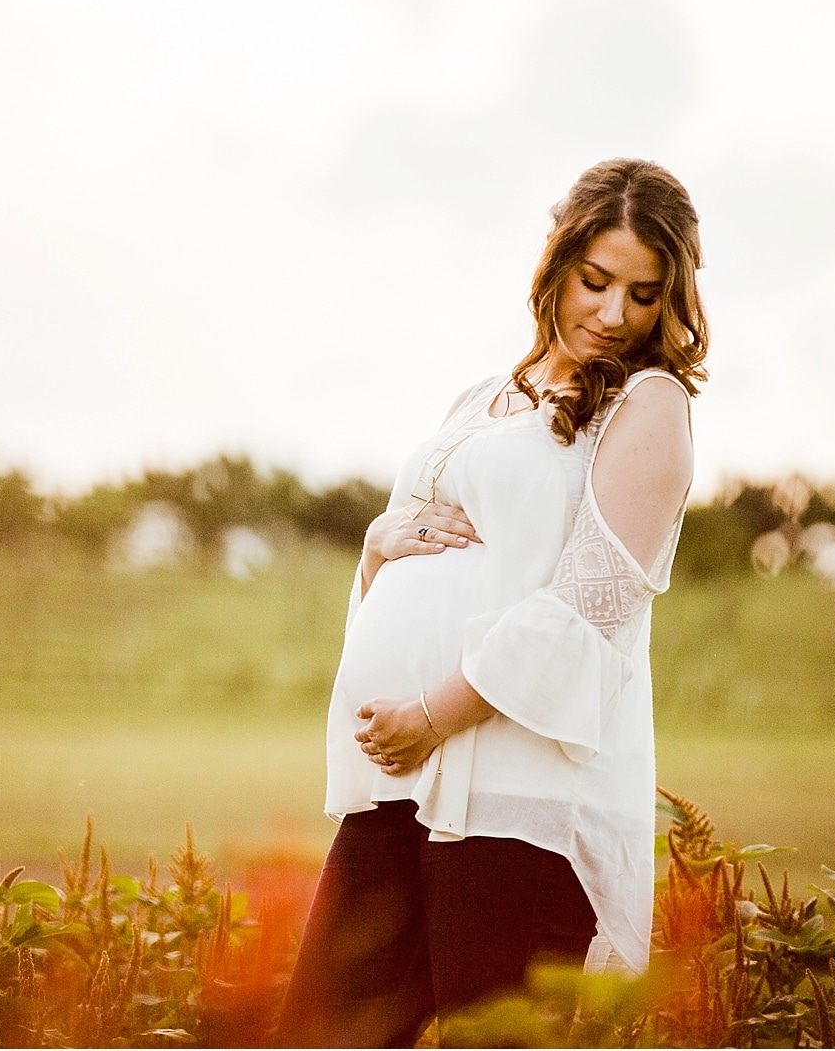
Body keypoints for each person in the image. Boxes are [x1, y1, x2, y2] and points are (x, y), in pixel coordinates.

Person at [274, 158, 708, 1047]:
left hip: (519, 801)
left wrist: (435, 713)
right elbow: (411, 580)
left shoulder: (648, 403)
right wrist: (375, 547)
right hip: (405, 781)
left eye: (642, 293)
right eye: (596, 281)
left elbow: (586, 610)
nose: (614, 313)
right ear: (556, 262)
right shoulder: (482, 398)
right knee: (320, 1034)